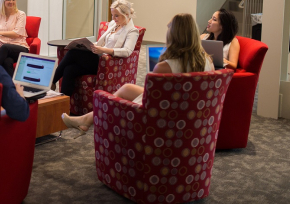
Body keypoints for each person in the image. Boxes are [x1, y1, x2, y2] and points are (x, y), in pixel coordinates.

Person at [61, 13, 214, 136]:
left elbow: (150, 99)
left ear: (174, 35)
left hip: (163, 116)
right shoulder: (208, 62)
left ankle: (87, 120)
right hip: (189, 113)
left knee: (109, 99)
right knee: (127, 88)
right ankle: (86, 120)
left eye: (168, 29)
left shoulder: (165, 67)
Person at [51, 0, 139, 100]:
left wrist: (103, 50)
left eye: (116, 15)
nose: (113, 18)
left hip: (108, 63)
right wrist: (92, 45)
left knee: (73, 53)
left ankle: (51, 82)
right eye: (112, 15)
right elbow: (104, 42)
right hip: (99, 57)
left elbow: (127, 51)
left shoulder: (132, 31)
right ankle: (63, 103)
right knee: (69, 69)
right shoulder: (113, 24)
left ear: (126, 14)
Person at [0, 0, 30, 77]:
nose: (11, 2)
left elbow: (16, 34)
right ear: (3, 1)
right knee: (7, 62)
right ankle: (11, 84)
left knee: (5, 47)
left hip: (20, 48)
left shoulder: (21, 14)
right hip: (4, 51)